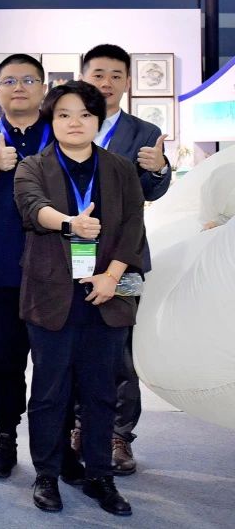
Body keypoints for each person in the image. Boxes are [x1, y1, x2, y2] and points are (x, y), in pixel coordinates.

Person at [14, 81, 143, 517]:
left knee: (101, 392)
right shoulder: (33, 166)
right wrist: (71, 223)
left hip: (107, 292)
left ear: (98, 120)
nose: (75, 122)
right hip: (51, 294)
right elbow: (33, 208)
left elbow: (133, 227)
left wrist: (112, 276)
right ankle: (47, 475)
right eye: (64, 114)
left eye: (85, 114)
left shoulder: (120, 168)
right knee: (49, 392)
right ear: (51, 120)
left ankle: (100, 476)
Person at [77, 43, 171, 474]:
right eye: (98, 74)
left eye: (116, 75)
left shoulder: (144, 131)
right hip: (69, 256)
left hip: (125, 259)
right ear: (83, 77)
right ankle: (79, 428)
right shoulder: (64, 121)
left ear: (128, 82)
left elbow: (152, 192)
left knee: (120, 352)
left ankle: (119, 436)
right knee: (71, 345)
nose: (107, 83)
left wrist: (159, 168)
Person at [0, 53, 58, 480]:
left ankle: (57, 443)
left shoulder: (61, 132)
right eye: (9, 81)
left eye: (28, 80)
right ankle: (5, 437)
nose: (18, 87)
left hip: (55, 271)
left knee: (55, 362)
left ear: (43, 88)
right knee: (4, 362)